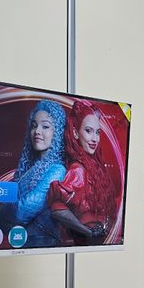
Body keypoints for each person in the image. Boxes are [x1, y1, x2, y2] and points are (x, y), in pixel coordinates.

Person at [0, 99, 67, 247]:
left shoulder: (57, 170)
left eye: (45, 126)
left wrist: (3, 207)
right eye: (34, 126)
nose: (37, 132)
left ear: (58, 132)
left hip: (43, 246)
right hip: (20, 244)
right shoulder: (28, 167)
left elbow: (20, 213)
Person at [48, 99, 117, 245]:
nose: (94, 139)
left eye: (97, 132)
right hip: (85, 244)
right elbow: (56, 209)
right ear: (75, 133)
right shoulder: (78, 170)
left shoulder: (94, 167)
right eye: (88, 131)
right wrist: (88, 232)